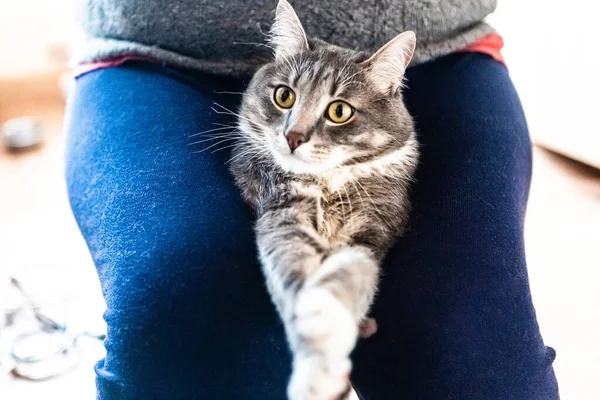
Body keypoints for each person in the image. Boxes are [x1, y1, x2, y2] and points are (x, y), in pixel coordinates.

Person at [65, 1, 559, 399]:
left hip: (440, 51)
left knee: (477, 361)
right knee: (185, 333)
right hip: (155, 56)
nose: (297, 134)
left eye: (331, 114)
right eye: (291, 111)